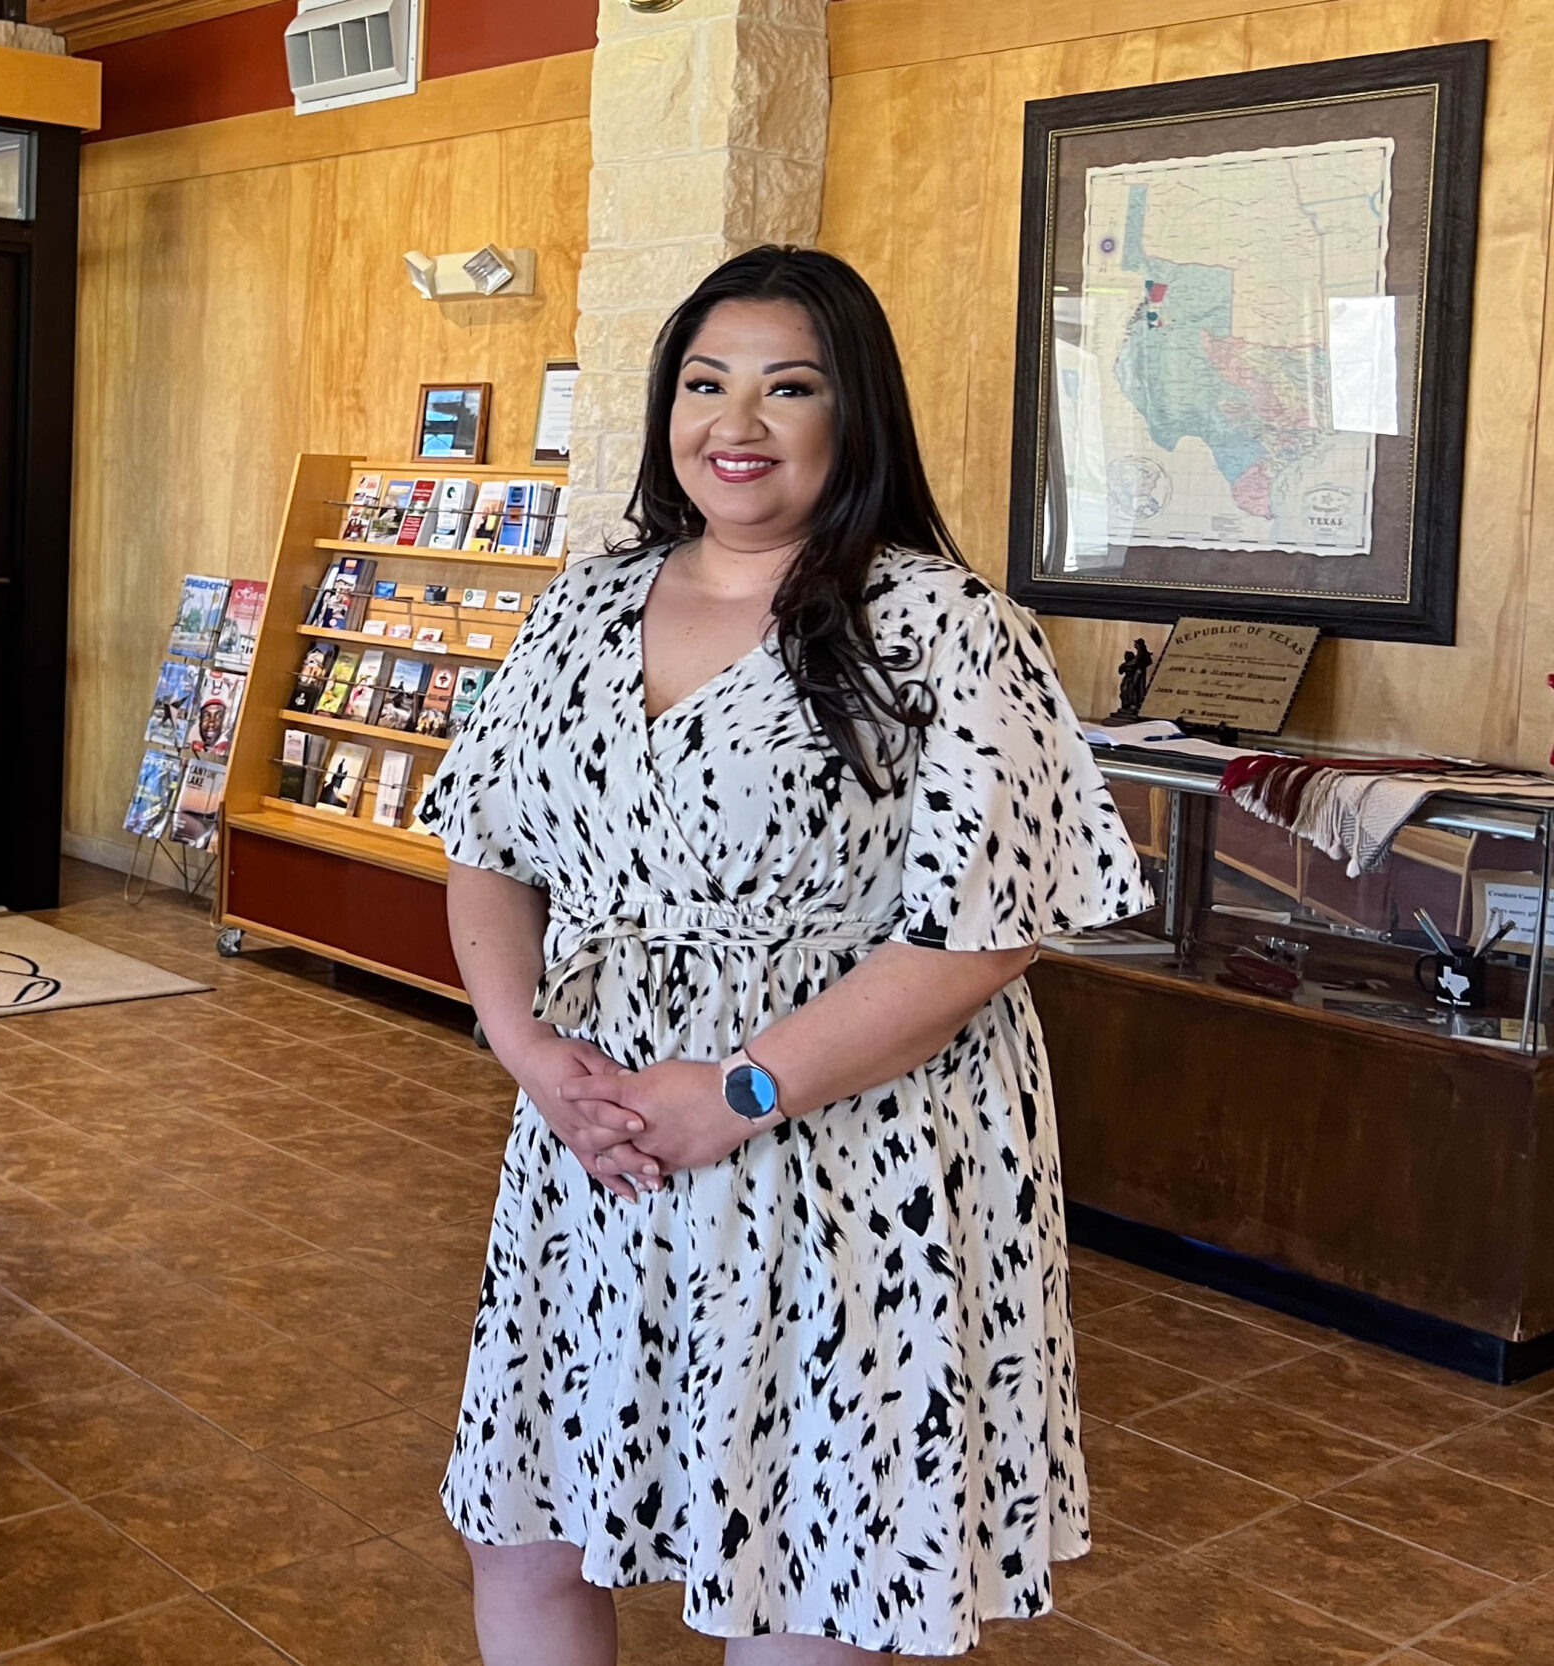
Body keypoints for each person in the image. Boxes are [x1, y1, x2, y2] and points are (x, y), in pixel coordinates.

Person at [417, 244, 1151, 1662]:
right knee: (531, 1516)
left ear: (852, 413)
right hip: (599, 1140)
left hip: (843, 1156)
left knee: (813, 1556)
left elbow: (976, 941)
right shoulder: (582, 602)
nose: (734, 422)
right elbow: (486, 847)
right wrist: (527, 1049)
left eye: (786, 386)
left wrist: (739, 1089)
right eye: (705, 382)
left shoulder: (947, 627)